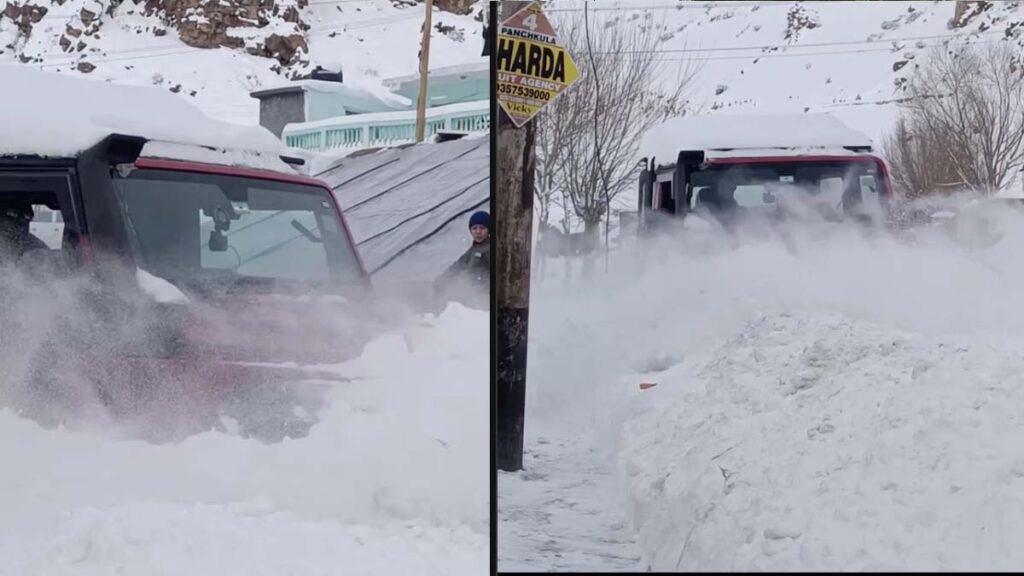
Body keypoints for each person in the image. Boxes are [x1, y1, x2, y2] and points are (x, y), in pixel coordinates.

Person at [433, 210, 490, 311]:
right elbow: (459, 265)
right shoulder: (474, 249)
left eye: (482, 228)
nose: (478, 232)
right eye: (474, 228)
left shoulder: (488, 249)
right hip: (472, 294)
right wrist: (442, 279)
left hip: (484, 298)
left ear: (489, 230)